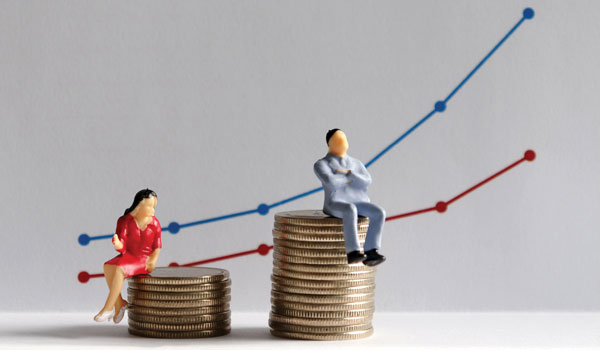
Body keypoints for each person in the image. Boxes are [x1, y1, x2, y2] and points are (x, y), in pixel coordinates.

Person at [313, 129, 386, 266]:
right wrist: (350, 178)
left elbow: (367, 181)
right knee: (350, 209)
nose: (342, 142)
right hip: (335, 202)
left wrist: (349, 174)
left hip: (358, 200)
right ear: (329, 144)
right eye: (337, 140)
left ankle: (371, 250)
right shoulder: (321, 164)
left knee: (379, 212)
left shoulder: (356, 163)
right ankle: (353, 251)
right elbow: (331, 182)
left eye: (344, 138)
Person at [93, 188, 162, 323]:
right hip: (129, 256)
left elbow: (157, 245)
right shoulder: (125, 221)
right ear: (139, 205)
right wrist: (118, 244)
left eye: (154, 207)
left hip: (144, 260)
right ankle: (120, 303)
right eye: (149, 206)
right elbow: (123, 246)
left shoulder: (155, 223)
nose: (153, 210)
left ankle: (108, 308)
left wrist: (154, 259)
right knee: (108, 266)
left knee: (120, 269)